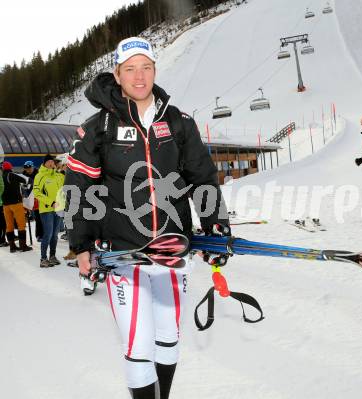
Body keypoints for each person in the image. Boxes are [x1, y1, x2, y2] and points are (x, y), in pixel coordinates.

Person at [64, 36, 229, 399]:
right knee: (139, 347)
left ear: (155, 70)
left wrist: (216, 228)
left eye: (147, 67)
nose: (139, 77)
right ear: (117, 75)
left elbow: (202, 178)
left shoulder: (178, 122)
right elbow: (78, 187)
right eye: (130, 69)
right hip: (124, 254)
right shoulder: (99, 127)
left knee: (168, 338)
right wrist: (82, 245)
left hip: (172, 250)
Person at [33, 154, 64, 267]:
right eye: (49, 161)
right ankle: (43, 258)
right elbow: (37, 193)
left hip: (58, 209)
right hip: (46, 210)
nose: (51, 163)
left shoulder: (59, 176)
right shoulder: (40, 176)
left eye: (52, 161)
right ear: (45, 163)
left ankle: (52, 256)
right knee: (48, 234)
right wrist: (51, 202)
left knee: (55, 234)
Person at [1, 161, 33, 252]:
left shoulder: (1, 177)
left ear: (3, 169)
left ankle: (12, 246)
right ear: (11, 168)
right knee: (21, 224)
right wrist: (26, 191)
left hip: (5, 205)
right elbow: (28, 180)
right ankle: (23, 246)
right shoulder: (12, 175)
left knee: (9, 225)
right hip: (16, 203)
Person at [22, 160, 44, 241]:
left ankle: (43, 234)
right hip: (30, 198)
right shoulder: (23, 175)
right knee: (38, 217)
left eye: (29, 168)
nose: (28, 170)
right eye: (26, 169)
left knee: (41, 217)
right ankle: (39, 235)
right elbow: (23, 187)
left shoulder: (38, 173)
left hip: (40, 197)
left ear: (33, 167)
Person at [0, 168, 8, 247]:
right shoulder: (0, 177)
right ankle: (2, 240)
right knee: (3, 223)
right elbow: (2, 188)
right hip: (1, 203)